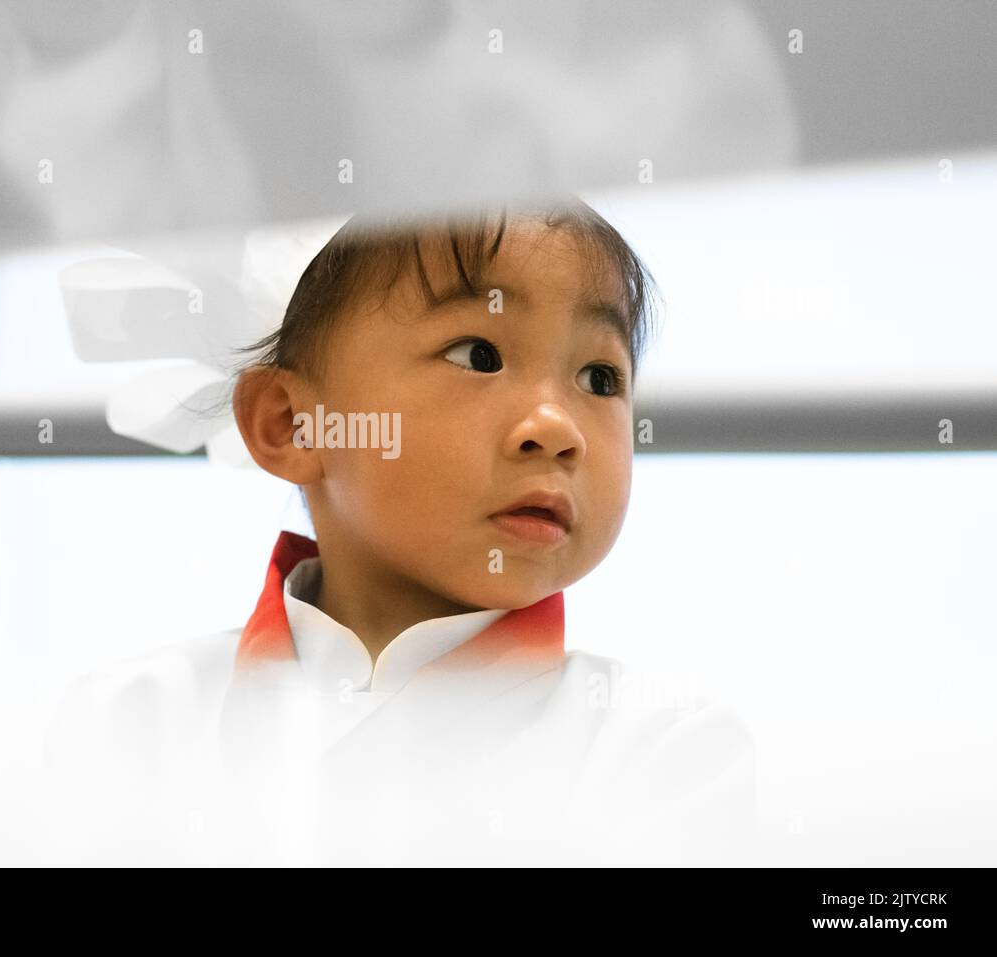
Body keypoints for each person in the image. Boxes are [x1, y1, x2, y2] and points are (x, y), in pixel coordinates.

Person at [44, 202, 758, 866]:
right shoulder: (131, 721)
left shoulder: (662, 748)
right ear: (293, 424)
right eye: (479, 355)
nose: (556, 428)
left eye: (601, 377)